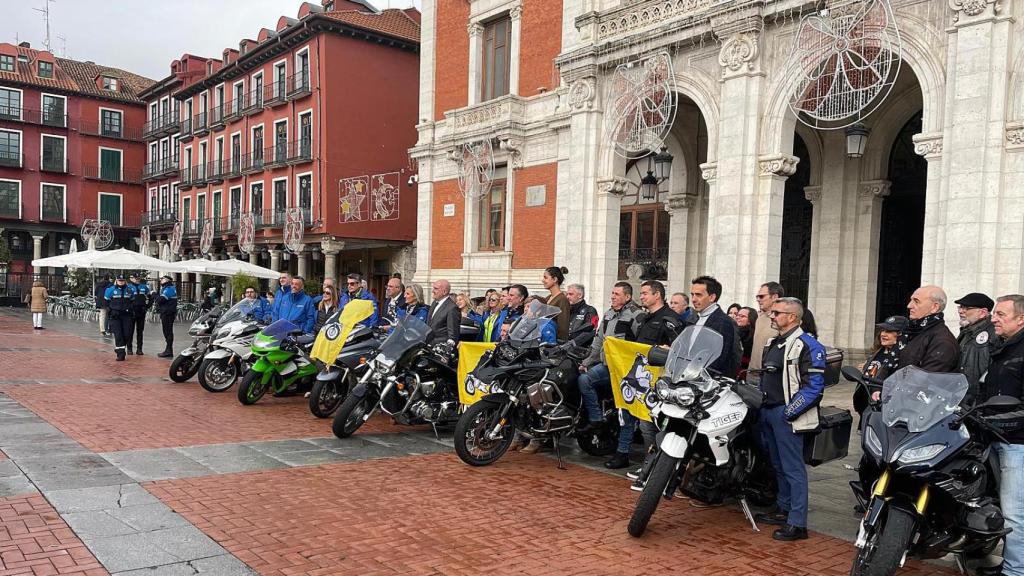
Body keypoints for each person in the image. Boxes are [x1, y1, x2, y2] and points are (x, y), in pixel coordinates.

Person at [754, 297, 827, 541]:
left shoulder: (808, 344)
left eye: (777, 313)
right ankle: (783, 508)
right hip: (769, 410)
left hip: (788, 415)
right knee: (777, 464)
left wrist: (789, 412)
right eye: (772, 312)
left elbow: (814, 386)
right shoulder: (775, 341)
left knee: (793, 469)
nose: (772, 316)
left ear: (792, 317)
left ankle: (797, 523)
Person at [606, 280, 682, 471]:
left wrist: (669, 350)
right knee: (636, 420)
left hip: (658, 383)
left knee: (649, 425)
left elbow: (679, 349)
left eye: (645, 293)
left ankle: (655, 466)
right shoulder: (645, 318)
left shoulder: (670, 319)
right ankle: (649, 463)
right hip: (641, 377)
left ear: (658, 295)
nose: (642, 297)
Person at [980, 295, 1024, 576]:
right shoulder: (1002, 347)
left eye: (1001, 314)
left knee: (1015, 512)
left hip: (1017, 442)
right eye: (994, 313)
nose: (993, 318)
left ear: (1021, 319)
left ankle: (1015, 571)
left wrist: (1003, 422)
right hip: (994, 437)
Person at [578, 282, 642, 434]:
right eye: (612, 293)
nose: (612, 297)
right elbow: (599, 340)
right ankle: (596, 419)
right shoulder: (608, 314)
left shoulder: (637, 315)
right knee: (583, 379)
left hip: (625, 369)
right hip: (607, 365)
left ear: (627, 297)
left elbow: (640, 343)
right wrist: (586, 362)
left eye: (617, 294)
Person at [855, 315, 908, 420]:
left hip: (884, 412)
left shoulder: (904, 357)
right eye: (883, 330)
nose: (883, 334)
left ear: (901, 335)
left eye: (888, 331)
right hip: (866, 409)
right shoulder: (877, 352)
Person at [899, 285, 959, 372]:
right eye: (911, 300)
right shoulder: (913, 332)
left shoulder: (942, 341)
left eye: (916, 301)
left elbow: (927, 380)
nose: (909, 305)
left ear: (934, 307)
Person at [689, 275, 739, 377]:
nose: (693, 299)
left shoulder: (723, 322)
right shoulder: (696, 318)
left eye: (698, 295)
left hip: (709, 382)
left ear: (712, 297)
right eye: (692, 294)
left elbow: (718, 358)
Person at [955, 292, 996, 398]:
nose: (960, 311)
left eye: (966, 308)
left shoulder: (993, 332)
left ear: (983, 312)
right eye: (960, 307)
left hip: (977, 397)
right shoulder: (967, 330)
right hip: (962, 393)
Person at [749, 282, 785, 383]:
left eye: (761, 296)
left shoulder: (782, 320)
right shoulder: (759, 318)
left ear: (774, 297)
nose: (758, 300)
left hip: (769, 376)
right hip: (751, 374)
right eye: (757, 297)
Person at [104, 275, 136, 361]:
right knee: (118, 335)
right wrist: (110, 310)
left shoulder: (129, 290)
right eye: (119, 280)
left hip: (126, 315)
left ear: (125, 281)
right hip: (115, 316)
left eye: (122, 280)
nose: (121, 282)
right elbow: (106, 302)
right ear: (116, 281)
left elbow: (132, 300)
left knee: (127, 334)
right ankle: (120, 354)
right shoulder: (111, 290)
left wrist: (130, 309)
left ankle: (120, 349)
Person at [427, 279, 462, 346]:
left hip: (440, 349)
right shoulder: (434, 303)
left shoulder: (452, 308)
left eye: (436, 289)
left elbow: (453, 336)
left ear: (444, 292)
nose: (432, 291)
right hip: (429, 346)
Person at [542, 266, 571, 341]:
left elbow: (563, 326)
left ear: (555, 279)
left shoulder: (562, 299)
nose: (543, 280)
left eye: (545, 278)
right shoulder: (548, 298)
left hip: (553, 341)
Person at [126, 274, 152, 355]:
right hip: (131, 311)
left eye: (138, 278)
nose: (137, 280)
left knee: (140, 331)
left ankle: (139, 349)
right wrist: (129, 308)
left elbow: (150, 297)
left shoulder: (144, 286)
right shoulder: (128, 287)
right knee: (130, 331)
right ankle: (129, 348)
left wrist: (148, 306)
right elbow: (125, 299)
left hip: (141, 311)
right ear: (131, 278)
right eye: (135, 278)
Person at [566, 283, 599, 348]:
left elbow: (590, 332)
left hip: (581, 351)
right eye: (567, 294)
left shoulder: (590, 310)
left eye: (571, 294)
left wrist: (572, 344)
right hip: (564, 348)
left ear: (580, 295)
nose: (567, 297)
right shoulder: (568, 309)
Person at [154, 276, 178, 358]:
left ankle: (169, 350)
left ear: (167, 280)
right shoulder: (166, 288)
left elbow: (160, 300)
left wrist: (154, 295)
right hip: (166, 312)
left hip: (168, 313)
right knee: (166, 331)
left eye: (162, 279)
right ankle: (168, 350)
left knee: (168, 331)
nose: (161, 280)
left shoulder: (169, 289)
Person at [736, 306, 758, 375]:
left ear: (750, 321)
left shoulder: (752, 336)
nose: (737, 318)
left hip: (743, 372)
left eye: (742, 316)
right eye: (738, 315)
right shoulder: (734, 331)